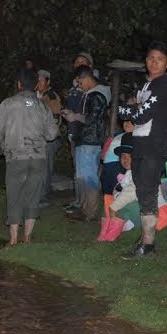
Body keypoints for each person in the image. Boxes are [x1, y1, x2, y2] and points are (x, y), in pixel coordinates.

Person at [115, 42, 167, 257]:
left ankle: (148, 245)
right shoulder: (145, 86)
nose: (154, 62)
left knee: (148, 193)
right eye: (151, 58)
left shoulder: (164, 85)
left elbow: (139, 115)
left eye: (159, 59)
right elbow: (125, 111)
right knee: (142, 192)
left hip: (153, 147)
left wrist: (131, 110)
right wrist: (132, 110)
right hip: (140, 146)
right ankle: (145, 239)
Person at [0, 67, 58, 246]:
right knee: (33, 195)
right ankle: (27, 237)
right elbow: (52, 134)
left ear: (19, 84)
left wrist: (1, 149)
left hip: (15, 157)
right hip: (37, 158)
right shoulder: (42, 106)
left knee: (15, 195)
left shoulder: (7, 104)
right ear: (36, 85)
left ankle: (13, 238)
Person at [65, 65, 111, 222]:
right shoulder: (92, 94)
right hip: (85, 140)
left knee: (89, 177)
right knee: (83, 177)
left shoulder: (97, 95)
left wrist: (75, 117)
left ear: (87, 78)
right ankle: (85, 210)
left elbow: (93, 119)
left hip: (90, 141)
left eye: (79, 82)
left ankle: (89, 212)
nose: (79, 86)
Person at [61, 52, 97, 213]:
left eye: (83, 62)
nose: (79, 64)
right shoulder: (74, 86)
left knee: (86, 172)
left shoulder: (93, 87)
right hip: (74, 131)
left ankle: (86, 206)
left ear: (90, 66)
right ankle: (79, 201)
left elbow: (90, 114)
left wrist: (74, 116)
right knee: (78, 169)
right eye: (77, 62)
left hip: (86, 134)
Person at [34, 69, 65, 209]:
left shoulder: (51, 96)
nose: (38, 83)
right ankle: (36, 196)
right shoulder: (34, 97)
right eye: (37, 80)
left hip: (49, 139)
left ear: (48, 82)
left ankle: (44, 198)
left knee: (45, 169)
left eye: (41, 80)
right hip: (37, 139)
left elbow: (55, 119)